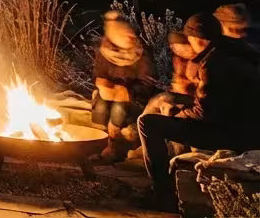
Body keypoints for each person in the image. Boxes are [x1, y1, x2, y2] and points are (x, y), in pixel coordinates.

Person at [136, 13, 260, 208]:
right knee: (171, 101)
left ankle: (163, 194)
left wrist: (175, 113)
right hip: (244, 122)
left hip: (232, 132)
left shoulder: (213, 64)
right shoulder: (236, 50)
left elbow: (205, 114)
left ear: (198, 39)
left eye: (190, 39)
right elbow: (215, 99)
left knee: (148, 123)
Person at [92, 11, 155, 161]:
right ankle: (98, 141)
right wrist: (103, 84)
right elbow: (98, 74)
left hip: (134, 96)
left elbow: (147, 83)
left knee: (118, 107)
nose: (129, 38)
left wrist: (126, 91)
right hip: (112, 93)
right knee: (99, 103)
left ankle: (112, 146)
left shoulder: (141, 54)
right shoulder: (106, 52)